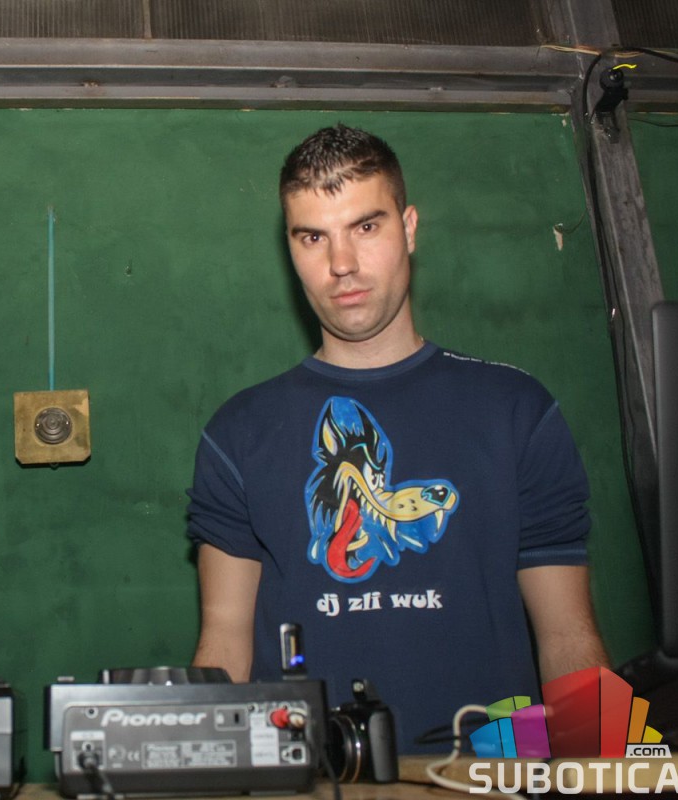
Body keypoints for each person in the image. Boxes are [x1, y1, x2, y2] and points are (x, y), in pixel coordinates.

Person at [186, 124, 609, 752]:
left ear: (409, 228)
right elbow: (224, 645)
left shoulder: (516, 409)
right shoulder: (238, 432)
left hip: (493, 773)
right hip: (312, 779)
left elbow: (568, 636)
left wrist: (606, 769)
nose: (341, 264)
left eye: (366, 226)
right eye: (313, 237)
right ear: (290, 249)